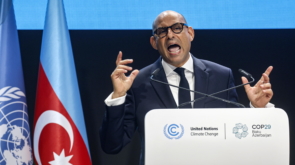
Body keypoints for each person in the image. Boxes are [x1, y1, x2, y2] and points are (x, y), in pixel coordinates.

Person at [100, 10, 273, 165]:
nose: (170, 35)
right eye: (162, 31)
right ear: (154, 42)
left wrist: (257, 110)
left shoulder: (220, 75)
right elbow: (112, 146)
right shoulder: (138, 82)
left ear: (190, 33)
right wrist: (118, 96)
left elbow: (237, 134)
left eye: (177, 28)